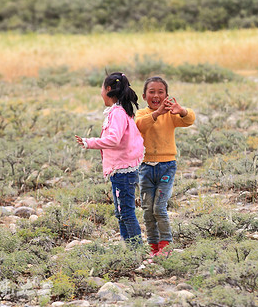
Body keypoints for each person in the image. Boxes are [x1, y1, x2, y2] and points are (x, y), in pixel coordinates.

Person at [75, 72, 144, 246]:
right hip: (121, 170)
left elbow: (114, 139)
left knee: (126, 212)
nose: (100, 93)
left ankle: (136, 250)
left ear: (108, 89)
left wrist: (89, 142)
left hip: (123, 171)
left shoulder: (118, 113)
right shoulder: (120, 111)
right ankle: (128, 248)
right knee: (121, 212)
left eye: (101, 88)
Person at [135, 76, 195, 256]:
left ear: (167, 95)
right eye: (151, 92)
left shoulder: (171, 114)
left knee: (159, 208)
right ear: (144, 96)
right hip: (145, 167)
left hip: (167, 166)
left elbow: (189, 119)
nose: (156, 95)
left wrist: (181, 110)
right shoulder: (141, 114)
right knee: (147, 210)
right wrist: (156, 113)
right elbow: (139, 126)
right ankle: (153, 247)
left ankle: (165, 245)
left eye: (160, 92)